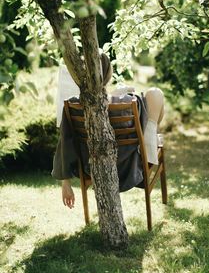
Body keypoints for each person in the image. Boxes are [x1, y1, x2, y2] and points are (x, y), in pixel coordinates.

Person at [52, 54, 164, 209]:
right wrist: (121, 95)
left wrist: (66, 183)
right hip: (128, 170)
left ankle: (151, 141)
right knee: (155, 94)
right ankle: (151, 146)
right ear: (108, 75)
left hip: (92, 169)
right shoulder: (129, 103)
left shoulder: (72, 106)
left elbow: (65, 143)